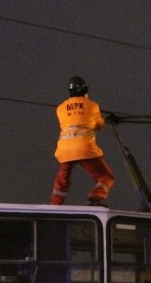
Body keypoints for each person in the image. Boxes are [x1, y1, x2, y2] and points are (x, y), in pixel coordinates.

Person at [51, 75, 115, 207]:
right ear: (85, 90)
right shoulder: (92, 105)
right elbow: (98, 125)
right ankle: (95, 198)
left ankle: (54, 206)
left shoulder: (60, 108)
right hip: (85, 149)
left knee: (62, 181)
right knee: (105, 177)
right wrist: (106, 121)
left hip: (65, 150)